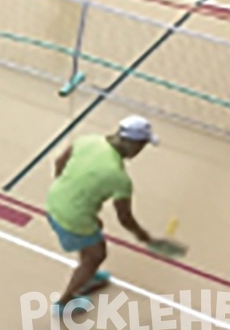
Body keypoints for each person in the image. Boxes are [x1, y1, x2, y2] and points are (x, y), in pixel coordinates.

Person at [45, 116, 158, 315]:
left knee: (91, 243)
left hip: (54, 199)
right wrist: (143, 235)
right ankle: (64, 303)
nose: (141, 150)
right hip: (73, 218)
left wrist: (68, 191)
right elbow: (125, 218)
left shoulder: (88, 140)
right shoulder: (119, 178)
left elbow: (59, 163)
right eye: (142, 145)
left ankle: (88, 275)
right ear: (134, 144)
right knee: (97, 255)